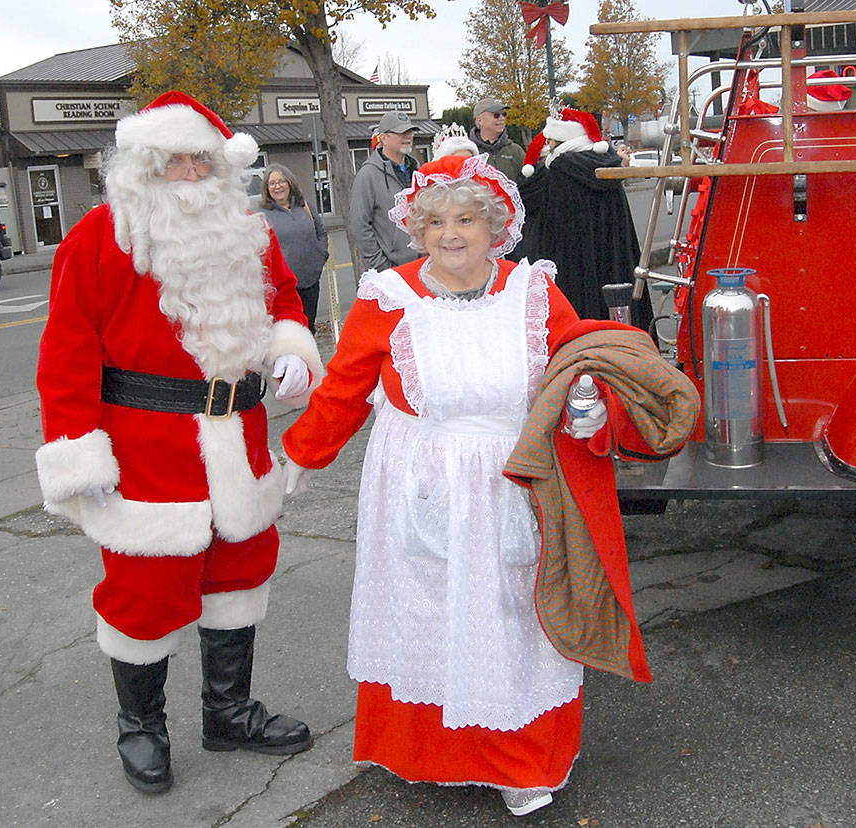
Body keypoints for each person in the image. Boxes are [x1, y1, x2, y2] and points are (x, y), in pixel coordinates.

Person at [279, 154, 696, 817]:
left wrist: (592, 404)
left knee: (513, 620)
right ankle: (426, 752)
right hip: (419, 482)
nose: (451, 234)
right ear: (416, 228)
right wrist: (301, 455)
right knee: (428, 615)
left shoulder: (533, 291)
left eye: (467, 219)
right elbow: (344, 390)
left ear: (495, 225)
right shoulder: (389, 296)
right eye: (437, 220)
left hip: (514, 482)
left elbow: (579, 363)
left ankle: (522, 762)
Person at [34, 90, 325, 794]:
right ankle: (142, 728)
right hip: (146, 449)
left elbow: (285, 298)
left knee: (240, 577)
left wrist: (290, 345)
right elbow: (67, 355)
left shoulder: (247, 232)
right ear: (142, 167)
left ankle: (228, 714)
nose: (192, 175)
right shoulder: (101, 237)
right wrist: (79, 454)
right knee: (145, 592)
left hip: (242, 441)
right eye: (174, 162)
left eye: (202, 160)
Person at [518, 107, 649, 332]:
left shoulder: (557, 172)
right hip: (613, 264)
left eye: (550, 141)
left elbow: (526, 199)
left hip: (572, 269)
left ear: (557, 141)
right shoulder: (606, 166)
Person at [257, 163, 328, 333]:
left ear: (290, 183)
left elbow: (321, 233)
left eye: (281, 181)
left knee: (309, 328)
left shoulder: (306, 207)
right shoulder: (262, 216)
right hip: (284, 290)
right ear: (267, 188)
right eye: (272, 183)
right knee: (290, 331)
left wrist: (320, 257)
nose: (278, 186)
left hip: (310, 283)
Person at [350, 109, 420, 274]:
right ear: (384, 138)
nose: (407, 137)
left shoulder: (418, 170)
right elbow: (360, 226)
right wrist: (382, 267)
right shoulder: (367, 175)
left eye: (410, 132)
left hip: (424, 264)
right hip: (392, 271)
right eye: (401, 132)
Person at [469, 97, 525, 181]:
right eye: (496, 115)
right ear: (479, 120)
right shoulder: (469, 152)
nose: (502, 118)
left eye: (504, 114)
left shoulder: (515, 151)